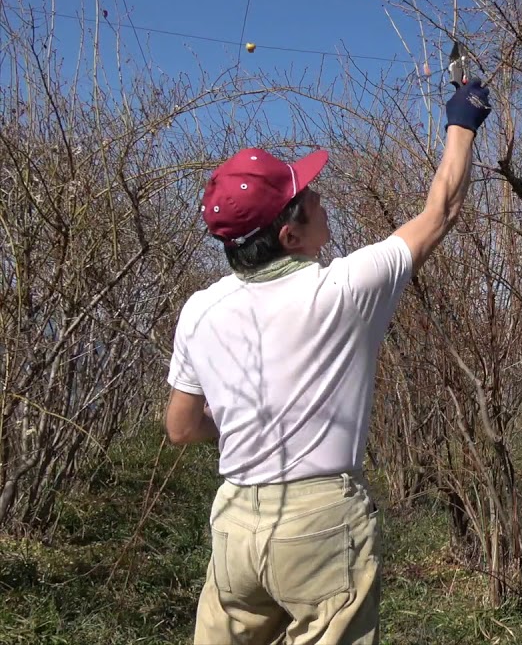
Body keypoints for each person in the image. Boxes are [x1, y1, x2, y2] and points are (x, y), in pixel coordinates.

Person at [164, 80, 492, 644]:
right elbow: (441, 210)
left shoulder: (200, 310)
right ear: (290, 234)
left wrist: (248, 423)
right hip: (320, 527)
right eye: (309, 196)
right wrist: (463, 121)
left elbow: (181, 427)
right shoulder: (346, 289)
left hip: (235, 524)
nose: (321, 197)